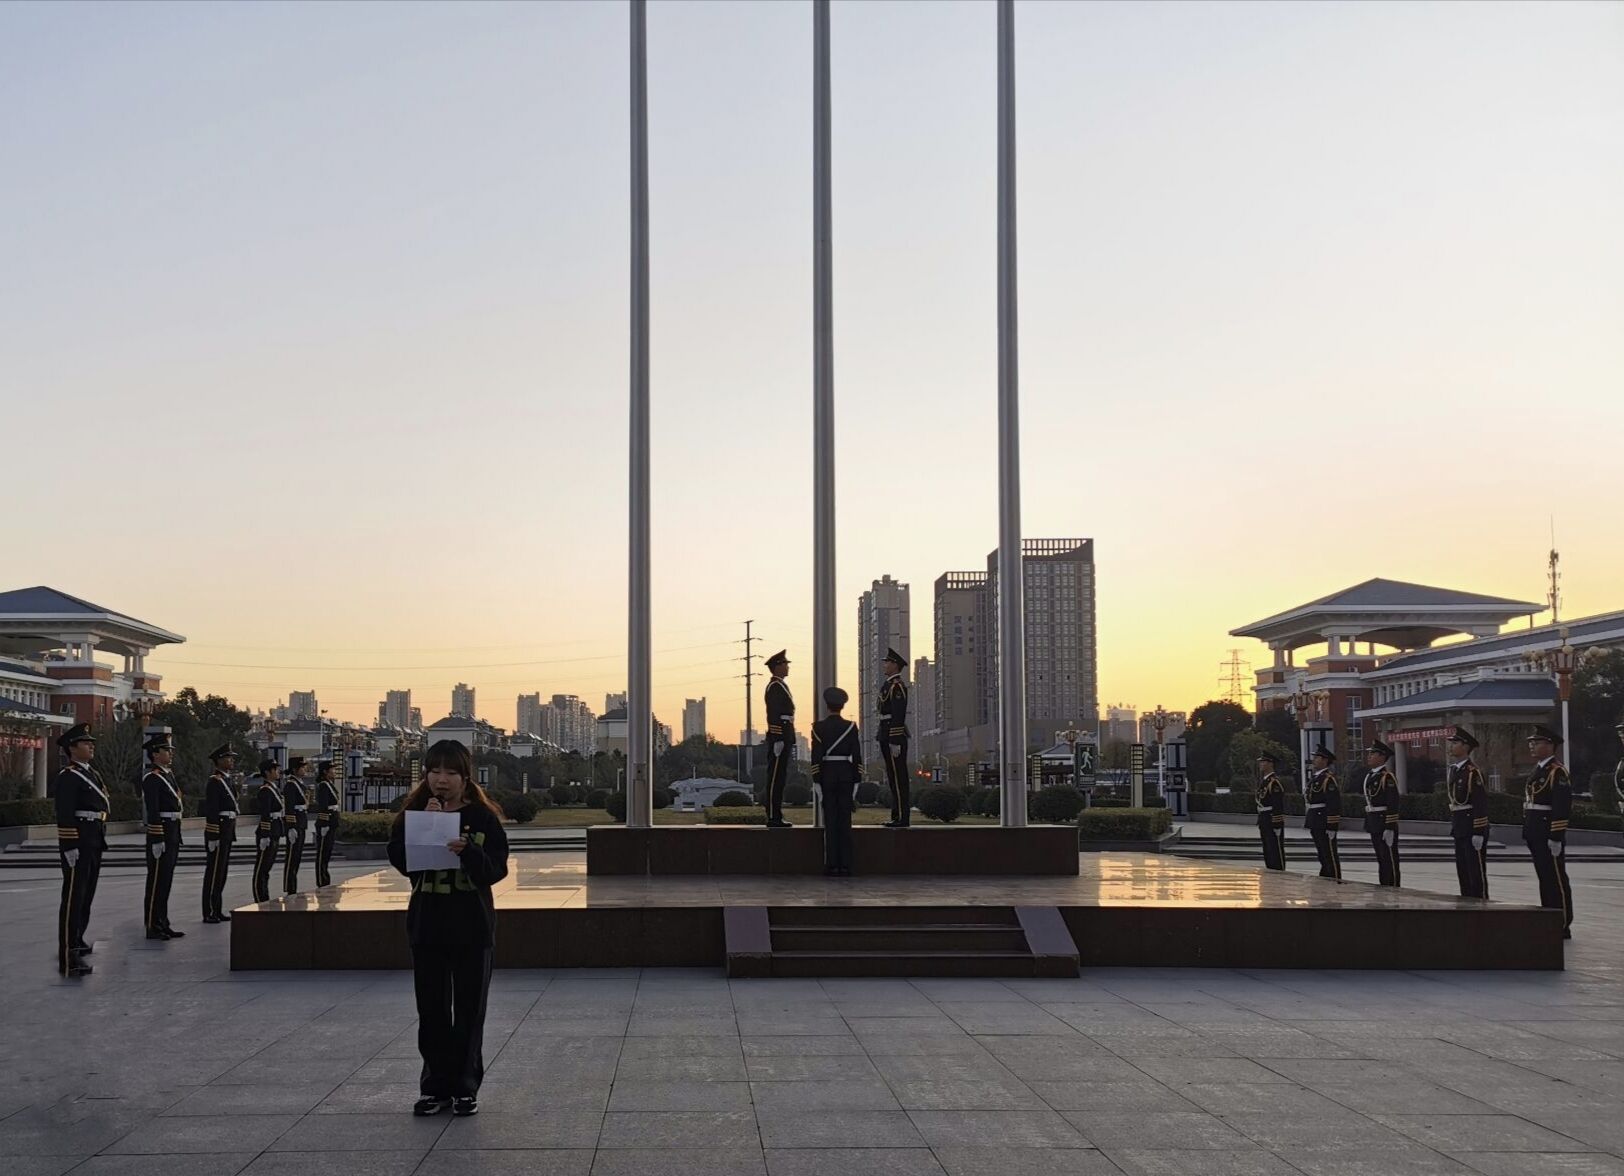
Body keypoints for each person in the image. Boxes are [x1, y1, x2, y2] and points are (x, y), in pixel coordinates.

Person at [387, 739, 510, 1118]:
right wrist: (424, 828)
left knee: (470, 1011)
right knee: (432, 1011)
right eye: (435, 771)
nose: (441, 780)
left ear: (465, 777)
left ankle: (465, 1088)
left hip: (471, 926)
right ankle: (435, 1087)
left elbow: (496, 869)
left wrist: (468, 851)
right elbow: (400, 860)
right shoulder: (413, 814)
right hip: (428, 925)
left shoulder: (483, 818)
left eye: (451, 772)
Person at [54, 723, 108, 978]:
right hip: (79, 842)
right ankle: (69, 955)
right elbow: (64, 813)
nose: (91, 746)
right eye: (86, 743)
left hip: (93, 839)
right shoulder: (69, 776)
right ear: (72, 748)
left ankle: (77, 939)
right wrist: (70, 845)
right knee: (74, 898)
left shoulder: (91, 774)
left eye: (91, 742)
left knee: (86, 896)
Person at [1523, 723, 1573, 938]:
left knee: (1556, 878)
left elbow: (1561, 806)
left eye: (1537, 742)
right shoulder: (1539, 769)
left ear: (1550, 745)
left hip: (1547, 832)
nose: (1532, 746)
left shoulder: (1557, 771)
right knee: (1544, 877)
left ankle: (1562, 921)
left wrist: (1556, 836)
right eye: (1531, 742)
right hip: (1535, 831)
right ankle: (1549, 918)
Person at [811, 686, 862, 876]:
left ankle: (831, 864)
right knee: (845, 821)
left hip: (827, 775)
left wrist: (816, 780)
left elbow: (816, 756)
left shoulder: (818, 727)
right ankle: (846, 865)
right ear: (842, 706)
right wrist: (857, 779)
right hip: (846, 775)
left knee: (830, 821)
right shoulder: (851, 726)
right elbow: (856, 755)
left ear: (827, 706)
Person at [141, 732, 185, 940]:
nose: (170, 753)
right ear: (155, 754)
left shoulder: (168, 776)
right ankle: (152, 924)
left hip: (172, 831)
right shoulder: (152, 778)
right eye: (166, 750)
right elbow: (153, 810)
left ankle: (163, 922)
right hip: (162, 832)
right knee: (157, 881)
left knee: (166, 880)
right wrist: (157, 837)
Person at [1446, 727, 1489, 899]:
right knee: (1463, 872)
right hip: (1460, 826)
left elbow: (1480, 803)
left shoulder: (1472, 772)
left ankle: (1481, 906)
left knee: (1475, 873)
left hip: (1471, 827)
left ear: (1465, 747)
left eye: (1455, 743)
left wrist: (1478, 831)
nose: (1451, 746)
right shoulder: (1455, 770)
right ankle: (1466, 905)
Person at [202, 743, 240, 923]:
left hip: (227, 829)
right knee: (214, 871)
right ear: (219, 760)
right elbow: (212, 810)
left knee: (222, 871)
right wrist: (213, 835)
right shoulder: (215, 782)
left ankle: (217, 908)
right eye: (228, 758)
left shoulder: (227, 780)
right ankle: (209, 911)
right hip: (219, 830)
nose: (232, 760)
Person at [878, 649, 911, 828]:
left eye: (887, 662)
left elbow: (899, 714)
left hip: (893, 735)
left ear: (895, 665)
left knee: (899, 778)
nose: (885, 665)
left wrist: (895, 739)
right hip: (886, 733)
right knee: (892, 777)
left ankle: (902, 818)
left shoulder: (897, 687)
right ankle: (896, 815)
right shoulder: (888, 685)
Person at [763, 651, 796, 828]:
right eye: (785, 664)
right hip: (780, 735)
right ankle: (773, 816)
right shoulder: (774, 687)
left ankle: (776, 814)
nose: (788, 667)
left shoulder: (780, 685)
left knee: (780, 776)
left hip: (785, 733)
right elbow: (773, 713)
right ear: (777, 666)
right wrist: (778, 737)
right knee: (775, 777)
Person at [1362, 739, 1401, 886]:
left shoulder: (1387, 777)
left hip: (1384, 821)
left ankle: (1393, 885)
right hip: (1374, 821)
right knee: (1380, 857)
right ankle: (1384, 884)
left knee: (1389, 857)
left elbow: (1393, 803)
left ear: (1382, 756)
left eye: (1373, 753)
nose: (1369, 756)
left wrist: (1390, 826)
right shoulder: (1370, 776)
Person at [1304, 744, 1342, 880]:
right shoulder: (1316, 778)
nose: (1314, 760)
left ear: (1325, 760)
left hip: (1323, 820)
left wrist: (1332, 825)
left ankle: (1334, 878)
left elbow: (1333, 803)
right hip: (1315, 819)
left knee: (1329, 852)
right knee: (1322, 852)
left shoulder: (1328, 779)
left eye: (1317, 757)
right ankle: (1325, 876)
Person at [251, 758, 285, 903]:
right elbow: (265, 814)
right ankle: (260, 897)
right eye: (275, 769)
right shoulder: (265, 790)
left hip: (275, 831)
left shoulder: (273, 788)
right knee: (262, 868)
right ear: (267, 772)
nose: (278, 772)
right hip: (268, 832)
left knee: (267, 868)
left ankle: (265, 897)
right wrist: (265, 835)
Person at [283, 757, 311, 894]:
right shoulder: (291, 785)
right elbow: (289, 807)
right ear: (295, 769)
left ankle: (293, 886)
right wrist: (291, 826)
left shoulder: (300, 784)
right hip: (295, 823)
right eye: (302, 767)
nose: (305, 769)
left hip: (301, 822)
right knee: (292, 857)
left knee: (297, 856)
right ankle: (289, 887)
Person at [1255, 751, 1287, 871]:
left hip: (1271, 818)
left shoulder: (1274, 783)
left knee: (1275, 849)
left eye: (1263, 762)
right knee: (1267, 849)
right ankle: (1271, 871)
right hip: (1264, 817)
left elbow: (1277, 804)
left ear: (1270, 764)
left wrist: (1277, 823)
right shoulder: (1265, 781)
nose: (1261, 764)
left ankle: (1279, 873)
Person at [312, 759, 341, 888]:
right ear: (325, 771)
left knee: (327, 852)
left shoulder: (329, 784)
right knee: (322, 853)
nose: (334, 771)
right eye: (332, 769)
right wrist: (324, 823)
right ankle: (321, 880)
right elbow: (323, 806)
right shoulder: (323, 785)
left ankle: (325, 878)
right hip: (326, 822)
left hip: (332, 822)